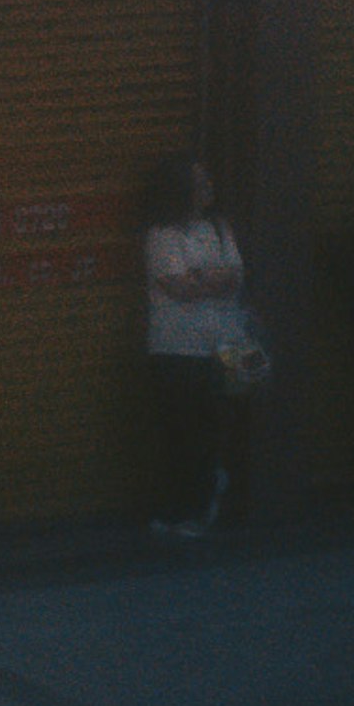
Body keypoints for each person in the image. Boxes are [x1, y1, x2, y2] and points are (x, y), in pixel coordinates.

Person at [142, 152, 247, 537]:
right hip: (177, 349)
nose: (209, 189)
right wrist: (208, 279)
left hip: (229, 345)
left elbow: (234, 278)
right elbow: (178, 288)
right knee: (180, 432)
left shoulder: (218, 228)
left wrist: (200, 278)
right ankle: (176, 506)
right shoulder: (162, 235)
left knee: (216, 424)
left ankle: (201, 503)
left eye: (208, 182)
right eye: (200, 183)